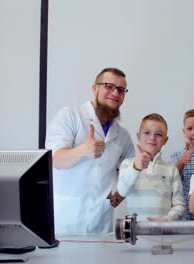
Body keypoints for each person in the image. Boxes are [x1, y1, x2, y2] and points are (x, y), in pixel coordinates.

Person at [45, 67, 135, 234]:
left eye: (121, 90)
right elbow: (54, 159)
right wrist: (83, 151)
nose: (115, 93)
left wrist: (115, 200)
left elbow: (132, 174)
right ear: (95, 88)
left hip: (101, 222)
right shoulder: (70, 116)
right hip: (65, 221)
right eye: (109, 86)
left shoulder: (122, 136)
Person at [109, 113, 185, 221]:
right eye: (147, 133)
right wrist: (135, 168)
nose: (152, 138)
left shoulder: (171, 170)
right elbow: (122, 191)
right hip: (136, 234)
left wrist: (167, 219)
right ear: (138, 136)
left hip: (164, 234)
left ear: (165, 140)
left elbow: (179, 205)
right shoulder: (127, 164)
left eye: (158, 134)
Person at [170, 109, 194, 220]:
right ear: (184, 132)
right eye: (190, 129)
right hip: (184, 213)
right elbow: (170, 180)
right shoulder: (177, 156)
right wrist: (182, 162)